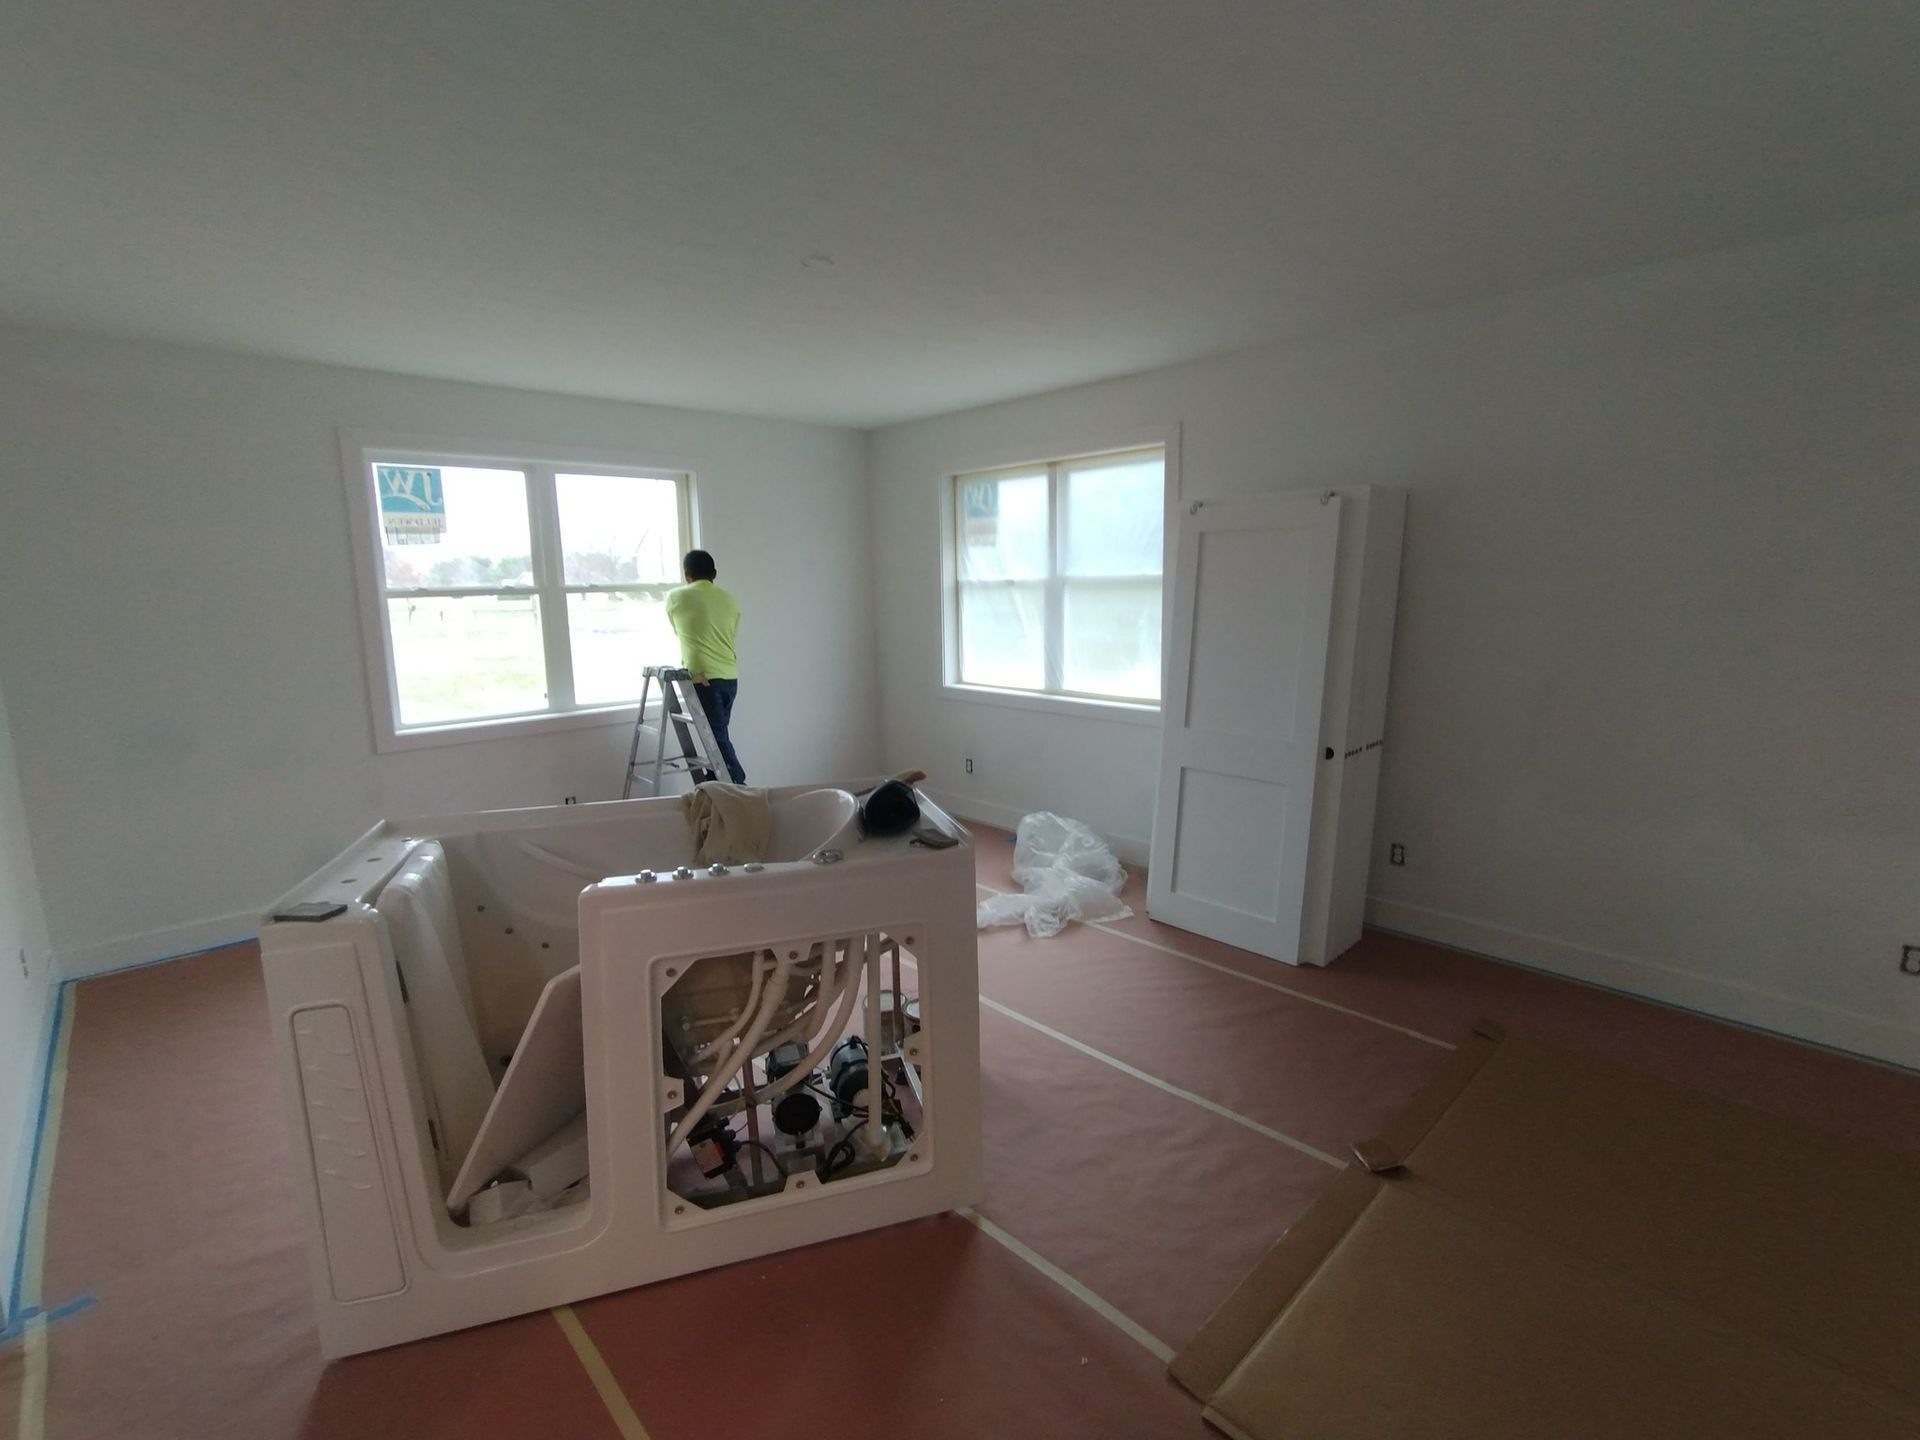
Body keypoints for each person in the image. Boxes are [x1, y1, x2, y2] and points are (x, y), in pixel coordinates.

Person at [664, 549, 746, 784]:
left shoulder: (676, 598)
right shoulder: (730, 600)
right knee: (719, 737)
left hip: (703, 677)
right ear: (714, 574)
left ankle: (737, 783)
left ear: (686, 575)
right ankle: (717, 776)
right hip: (730, 677)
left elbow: (678, 628)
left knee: (717, 740)